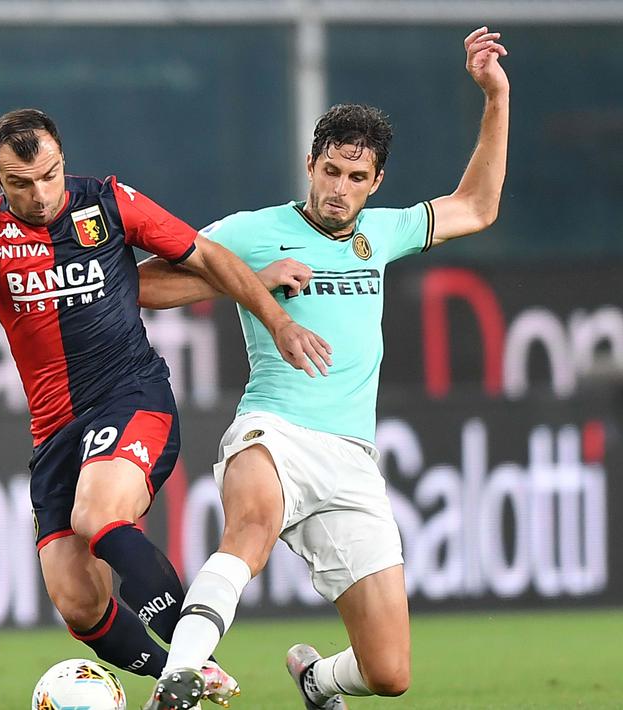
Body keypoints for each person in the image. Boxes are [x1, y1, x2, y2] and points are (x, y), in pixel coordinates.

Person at [0, 108, 331, 705]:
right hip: (55, 431)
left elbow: (205, 256)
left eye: (50, 175)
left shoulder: (110, 202)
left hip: (132, 397)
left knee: (99, 514)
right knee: (77, 602)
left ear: (63, 159)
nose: (40, 195)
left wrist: (278, 319)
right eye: (21, 184)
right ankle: (179, 672)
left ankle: (192, 663)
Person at [136, 27, 510, 709]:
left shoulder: (384, 233)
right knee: (248, 528)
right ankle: (179, 677)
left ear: (376, 182)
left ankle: (314, 681)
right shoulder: (248, 231)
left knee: (389, 672)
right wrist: (248, 280)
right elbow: (141, 286)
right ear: (309, 164)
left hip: (350, 458)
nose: (339, 189)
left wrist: (494, 98)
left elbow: (477, 207)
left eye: (356, 178)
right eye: (330, 171)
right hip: (272, 430)